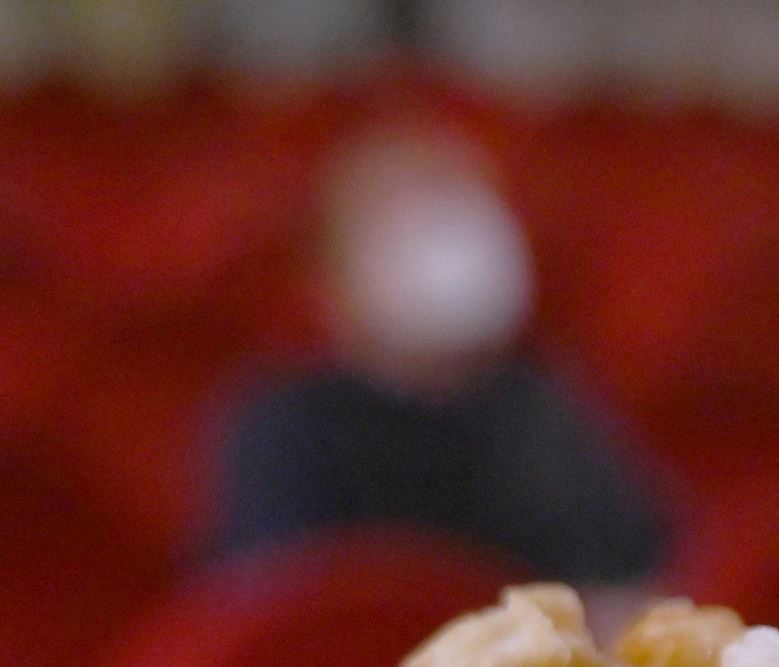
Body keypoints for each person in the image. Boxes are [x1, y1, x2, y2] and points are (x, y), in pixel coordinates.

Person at [205, 127, 674, 583]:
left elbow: (630, 573)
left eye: (457, 221)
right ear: (332, 276)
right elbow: (279, 613)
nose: (442, 257)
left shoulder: (538, 405)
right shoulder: (288, 425)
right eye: (402, 232)